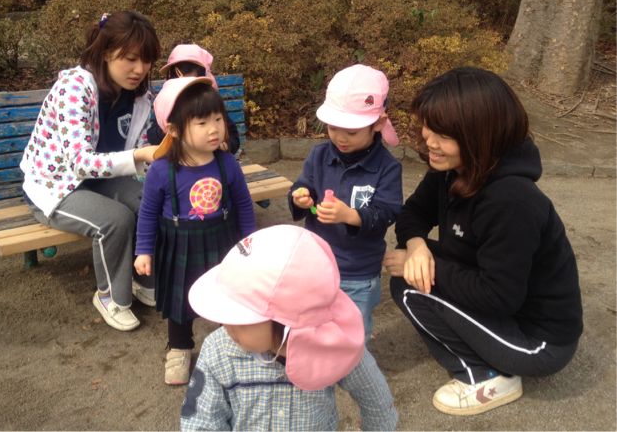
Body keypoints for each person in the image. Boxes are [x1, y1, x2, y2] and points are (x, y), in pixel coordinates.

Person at [383, 67, 583, 416]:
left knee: (413, 287)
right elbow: (413, 213)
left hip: (538, 341)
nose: (429, 141)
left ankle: (485, 376)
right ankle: (484, 357)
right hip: (502, 300)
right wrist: (416, 247)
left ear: (478, 134)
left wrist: (432, 267)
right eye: (428, 126)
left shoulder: (512, 200)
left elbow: (499, 296)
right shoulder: (454, 168)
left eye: (442, 133)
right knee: (410, 266)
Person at [20, 10, 161, 332]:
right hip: (56, 185)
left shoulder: (139, 97)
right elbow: (80, 162)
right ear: (106, 51)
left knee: (151, 201)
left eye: (147, 60)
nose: (140, 69)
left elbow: (140, 148)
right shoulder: (74, 88)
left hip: (103, 179)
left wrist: (165, 160)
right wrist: (140, 155)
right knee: (115, 220)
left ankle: (144, 278)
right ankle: (111, 297)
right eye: (130, 59)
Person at [181, 224, 398, 431]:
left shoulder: (334, 344)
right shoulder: (218, 351)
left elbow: (377, 401)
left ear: (285, 321)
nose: (226, 323)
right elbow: (201, 420)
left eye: (239, 317)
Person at [134, 76, 256, 386]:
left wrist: (249, 240)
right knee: (180, 301)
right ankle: (179, 347)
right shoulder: (161, 170)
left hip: (222, 239)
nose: (214, 129)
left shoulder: (227, 164)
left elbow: (243, 204)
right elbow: (147, 213)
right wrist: (143, 250)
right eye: (202, 123)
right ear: (174, 130)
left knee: (227, 293)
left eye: (218, 119)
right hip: (178, 243)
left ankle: (230, 344)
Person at [288, 64, 403, 341]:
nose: (340, 138)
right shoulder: (319, 156)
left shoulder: (387, 167)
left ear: (377, 124)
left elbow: (387, 212)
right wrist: (301, 196)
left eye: (351, 132)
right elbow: (304, 185)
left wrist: (351, 216)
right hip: (317, 263)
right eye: (333, 128)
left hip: (358, 271)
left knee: (353, 331)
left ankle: (355, 358)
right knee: (315, 322)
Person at [147, 43, 241, 155]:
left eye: (194, 83)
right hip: (178, 159)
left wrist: (226, 145)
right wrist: (170, 129)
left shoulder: (208, 100)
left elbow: (233, 136)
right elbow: (152, 136)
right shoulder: (169, 103)